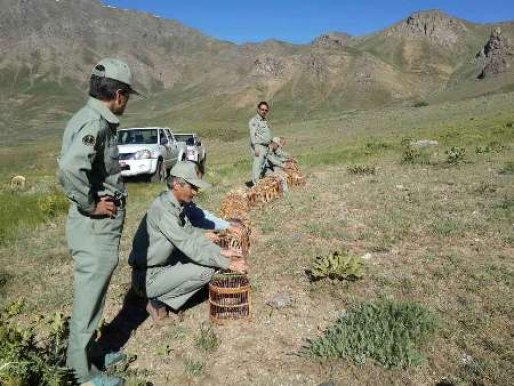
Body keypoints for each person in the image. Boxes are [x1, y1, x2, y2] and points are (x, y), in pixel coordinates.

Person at [58, 58, 141, 386]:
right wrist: (91, 205)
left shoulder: (91, 117)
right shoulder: (95, 123)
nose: (126, 103)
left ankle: (90, 352)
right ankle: (80, 374)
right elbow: (69, 168)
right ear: (118, 95)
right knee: (89, 297)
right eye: (127, 96)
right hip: (93, 226)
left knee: (95, 292)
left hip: (97, 227)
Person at [128, 161, 248, 323]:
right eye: (192, 187)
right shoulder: (164, 211)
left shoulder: (174, 205)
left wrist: (219, 252)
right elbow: (189, 245)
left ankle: (163, 293)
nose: (196, 192)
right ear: (177, 185)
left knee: (208, 260)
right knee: (205, 271)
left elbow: (192, 234)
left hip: (162, 265)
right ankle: (156, 302)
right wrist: (226, 262)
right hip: (147, 276)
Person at [249, 101, 273, 185]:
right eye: (262, 109)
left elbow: (266, 135)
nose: (264, 111)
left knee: (263, 166)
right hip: (259, 146)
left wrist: (269, 143)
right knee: (257, 166)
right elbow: (252, 135)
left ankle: (261, 183)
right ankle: (255, 185)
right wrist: (255, 147)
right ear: (258, 110)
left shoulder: (264, 121)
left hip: (265, 147)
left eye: (266, 110)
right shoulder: (254, 121)